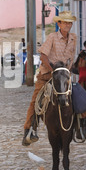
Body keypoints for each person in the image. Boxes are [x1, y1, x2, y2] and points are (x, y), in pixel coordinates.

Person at [22, 11, 78, 146]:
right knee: (36, 100)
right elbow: (43, 56)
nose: (67, 25)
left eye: (69, 22)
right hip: (47, 75)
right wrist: (53, 70)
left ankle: (81, 127)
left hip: (64, 76)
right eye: (65, 22)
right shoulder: (52, 37)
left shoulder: (73, 38)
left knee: (78, 96)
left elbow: (71, 57)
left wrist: (67, 70)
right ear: (59, 24)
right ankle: (28, 130)